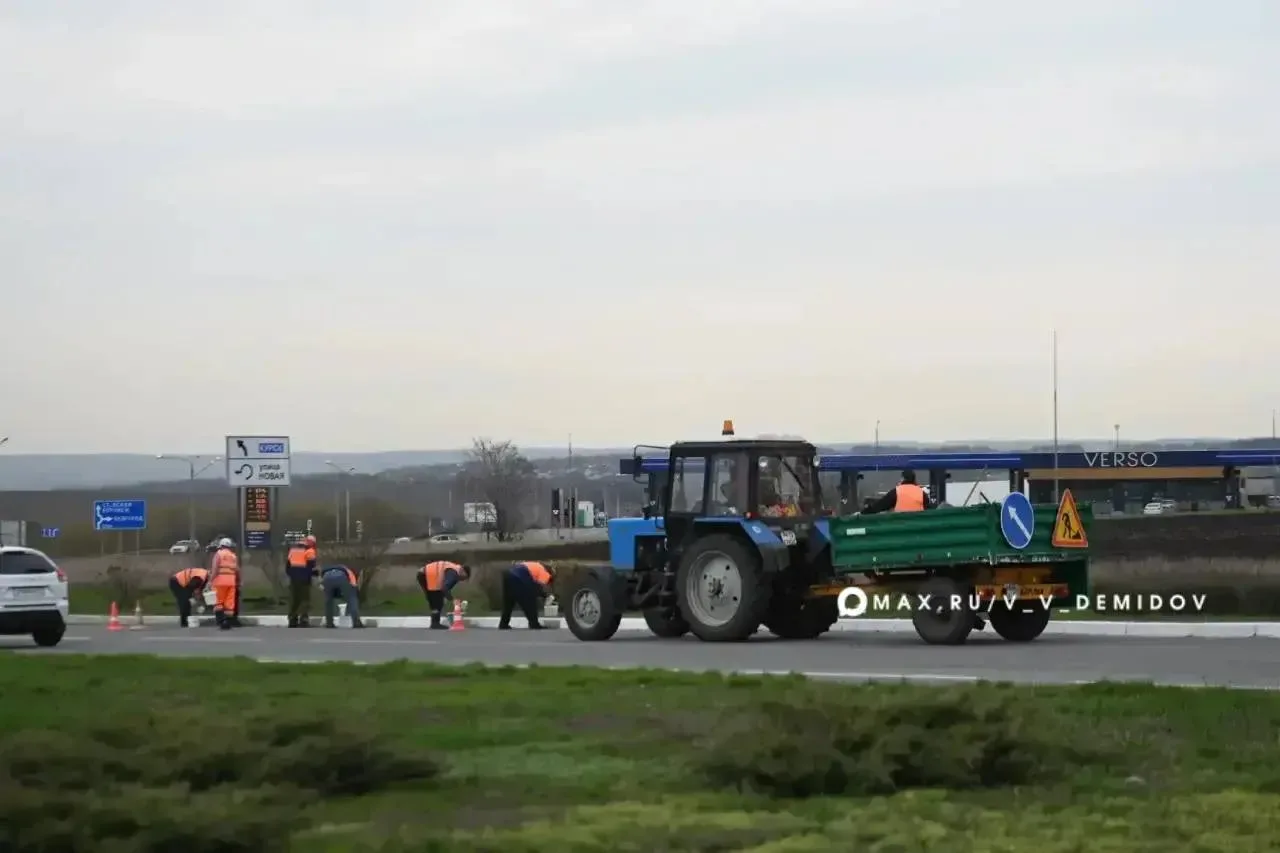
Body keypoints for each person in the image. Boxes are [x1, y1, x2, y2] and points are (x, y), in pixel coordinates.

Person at [498, 560, 554, 630]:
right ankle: (534, 624)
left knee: (508, 603)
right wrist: (546, 596)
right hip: (519, 578)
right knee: (530, 601)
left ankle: (503, 624)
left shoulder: (535, 565)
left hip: (508, 575)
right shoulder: (544, 572)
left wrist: (542, 594)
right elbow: (538, 587)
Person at [416, 560, 470, 629]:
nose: (462, 579)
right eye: (464, 577)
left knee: (434, 599)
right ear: (462, 570)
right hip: (428, 574)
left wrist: (446, 596)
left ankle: (434, 623)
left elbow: (446, 589)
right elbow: (445, 588)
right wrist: (452, 599)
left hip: (423, 573)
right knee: (437, 600)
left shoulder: (454, 571)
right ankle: (435, 623)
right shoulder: (454, 573)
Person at [859, 470, 930, 515]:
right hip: (917, 526)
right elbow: (929, 510)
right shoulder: (921, 493)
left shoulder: (897, 491)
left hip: (901, 525)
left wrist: (863, 513)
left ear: (902, 478)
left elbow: (879, 506)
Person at [285, 535, 319, 627]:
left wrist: (293, 575)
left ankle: (292, 620)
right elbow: (311, 566)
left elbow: (287, 567)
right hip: (304, 580)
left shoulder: (293, 550)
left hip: (293, 579)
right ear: (311, 542)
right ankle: (304, 620)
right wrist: (314, 574)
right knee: (304, 599)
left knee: (294, 599)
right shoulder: (310, 551)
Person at [207, 538, 240, 630]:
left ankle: (221, 621)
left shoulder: (219, 554)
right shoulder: (233, 556)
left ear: (221, 545)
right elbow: (237, 570)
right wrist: (239, 581)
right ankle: (228, 621)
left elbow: (215, 569)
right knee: (229, 603)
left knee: (218, 602)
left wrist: (210, 581)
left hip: (219, 582)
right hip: (231, 582)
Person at [321, 564, 364, 629]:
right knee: (352, 598)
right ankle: (356, 622)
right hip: (341, 576)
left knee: (328, 602)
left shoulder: (327, 569)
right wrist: (354, 593)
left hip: (326, 577)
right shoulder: (349, 571)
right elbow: (354, 586)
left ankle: (329, 623)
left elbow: (321, 584)